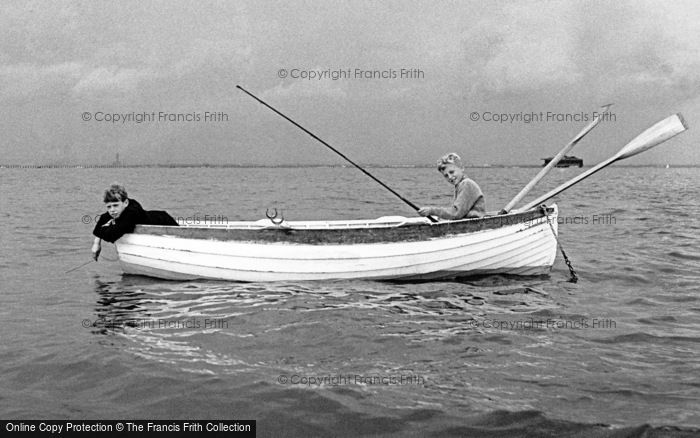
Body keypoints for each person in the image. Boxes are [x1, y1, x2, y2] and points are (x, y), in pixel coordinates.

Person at [91, 183, 178, 261]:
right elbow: (102, 220)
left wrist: (102, 231)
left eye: (115, 205)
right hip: (156, 216)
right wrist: (96, 243)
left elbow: (111, 235)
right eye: (109, 207)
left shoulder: (131, 214)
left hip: (165, 221)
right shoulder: (118, 209)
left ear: (125, 203)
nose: (112, 210)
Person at [418, 153, 485, 220]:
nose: (450, 177)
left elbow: (456, 213)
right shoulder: (460, 185)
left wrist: (432, 211)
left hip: (474, 223)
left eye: (452, 172)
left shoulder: (466, 184)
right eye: (446, 176)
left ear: (461, 168)